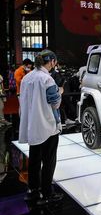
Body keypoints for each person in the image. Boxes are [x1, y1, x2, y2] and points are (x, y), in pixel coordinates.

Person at [18, 49, 64, 206]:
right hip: (48, 126)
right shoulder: (47, 79)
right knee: (49, 161)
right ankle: (47, 194)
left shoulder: (27, 78)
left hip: (32, 125)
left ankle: (32, 191)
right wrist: (60, 92)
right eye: (54, 62)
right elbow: (55, 102)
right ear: (51, 62)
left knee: (34, 160)